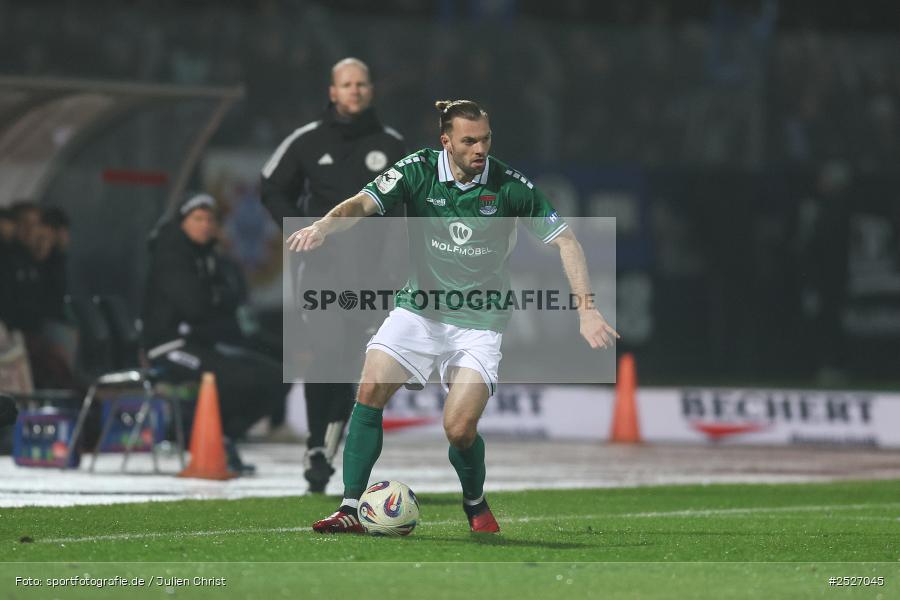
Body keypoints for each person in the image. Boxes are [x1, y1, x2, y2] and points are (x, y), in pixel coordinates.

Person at [288, 100, 619, 533]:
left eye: (485, 139)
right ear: (446, 142)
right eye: (469, 141)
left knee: (459, 428)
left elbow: (567, 242)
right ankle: (350, 508)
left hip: (480, 322)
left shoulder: (509, 186)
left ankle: (475, 502)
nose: (480, 148)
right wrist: (323, 226)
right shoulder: (416, 170)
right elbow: (360, 205)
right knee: (368, 390)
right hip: (419, 312)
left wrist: (587, 309)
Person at [260, 57, 406, 492]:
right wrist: (300, 228)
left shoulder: (392, 144)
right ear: (333, 92)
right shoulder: (306, 141)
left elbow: (410, 207)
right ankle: (314, 444)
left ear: (370, 90)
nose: (355, 91)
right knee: (326, 350)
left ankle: (326, 449)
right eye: (347, 84)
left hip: (372, 275)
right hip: (320, 269)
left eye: (362, 83)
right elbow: (270, 186)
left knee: (352, 363)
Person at [142, 193, 289, 474]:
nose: (205, 225)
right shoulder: (171, 256)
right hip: (168, 347)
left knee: (275, 376)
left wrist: (217, 297)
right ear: (183, 222)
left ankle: (225, 437)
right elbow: (196, 306)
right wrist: (218, 298)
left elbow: (232, 299)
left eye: (210, 219)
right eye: (197, 218)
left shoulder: (211, 258)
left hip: (202, 344)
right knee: (230, 378)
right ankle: (192, 435)